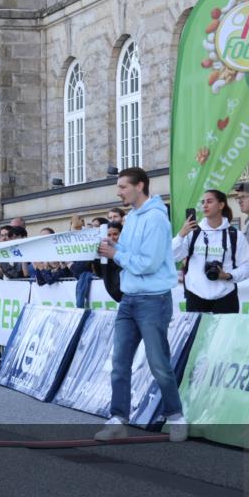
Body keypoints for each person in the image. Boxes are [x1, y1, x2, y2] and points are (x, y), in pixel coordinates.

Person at [95, 167, 187, 442]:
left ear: (140, 186)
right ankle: (118, 418)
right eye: (119, 186)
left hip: (153, 299)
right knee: (119, 362)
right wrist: (113, 250)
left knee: (158, 362)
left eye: (123, 187)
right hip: (129, 299)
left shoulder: (156, 219)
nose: (118, 192)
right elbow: (131, 254)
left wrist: (116, 254)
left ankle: (177, 417)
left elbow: (149, 262)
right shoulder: (133, 217)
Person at [173, 189, 249, 313]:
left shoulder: (235, 235)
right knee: (198, 333)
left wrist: (227, 276)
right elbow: (173, 256)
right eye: (203, 202)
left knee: (225, 333)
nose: (204, 205)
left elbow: (248, 267)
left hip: (226, 298)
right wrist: (180, 235)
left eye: (209, 201)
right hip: (195, 297)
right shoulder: (192, 233)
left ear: (221, 205)